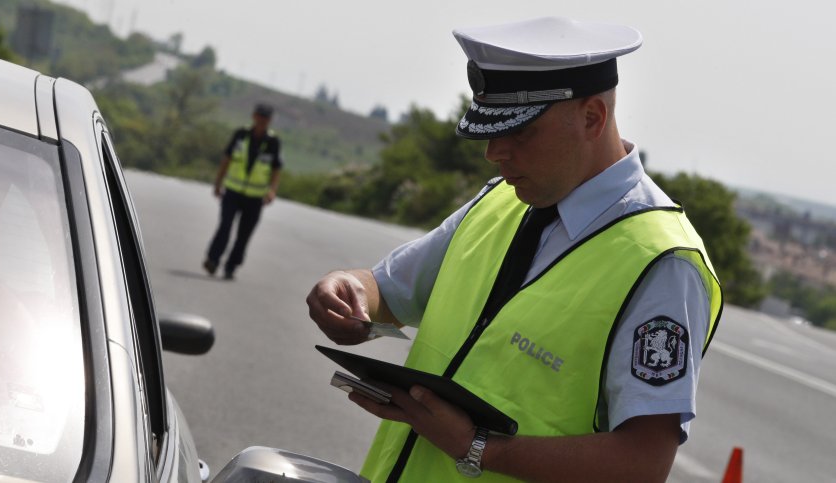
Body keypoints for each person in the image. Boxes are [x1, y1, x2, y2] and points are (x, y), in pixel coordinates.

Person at [306, 16, 722, 482]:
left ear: (591, 118)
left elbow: (642, 465)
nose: (494, 152)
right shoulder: (501, 201)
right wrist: (349, 291)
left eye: (519, 133)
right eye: (489, 130)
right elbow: (388, 290)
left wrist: (476, 447)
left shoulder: (662, 261)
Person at [203, 103, 282, 280]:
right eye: (259, 116)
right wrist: (218, 183)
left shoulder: (273, 142)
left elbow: (276, 169)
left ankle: (231, 266)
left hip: (255, 198)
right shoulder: (241, 134)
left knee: (244, 234)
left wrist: (272, 191)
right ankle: (212, 259)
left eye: (266, 117)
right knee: (225, 226)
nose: (262, 120)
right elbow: (227, 159)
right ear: (254, 116)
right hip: (233, 191)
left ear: (270, 120)